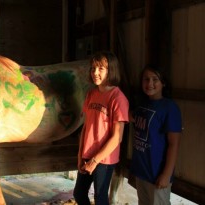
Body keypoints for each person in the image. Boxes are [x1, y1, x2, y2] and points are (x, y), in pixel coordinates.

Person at [73, 51, 129, 205]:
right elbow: (86, 127)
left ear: (111, 70)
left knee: (100, 197)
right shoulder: (91, 94)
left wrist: (95, 161)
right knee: (78, 194)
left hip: (104, 159)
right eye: (93, 68)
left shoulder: (118, 98)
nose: (95, 73)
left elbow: (117, 137)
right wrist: (80, 156)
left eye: (100, 69)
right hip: (87, 154)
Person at [130, 65, 182, 205]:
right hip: (142, 171)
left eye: (155, 79)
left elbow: (174, 144)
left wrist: (166, 175)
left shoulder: (170, 108)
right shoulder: (141, 105)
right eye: (146, 79)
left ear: (163, 83)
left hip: (157, 173)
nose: (150, 84)